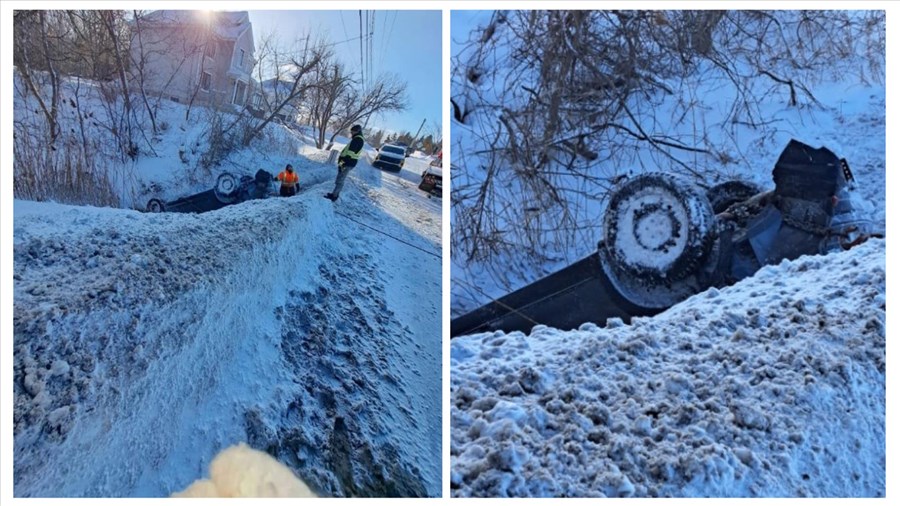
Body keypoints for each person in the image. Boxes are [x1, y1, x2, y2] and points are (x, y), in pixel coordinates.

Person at [325, 124, 365, 201]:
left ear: (357, 131)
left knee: (340, 179)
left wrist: (342, 164)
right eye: (351, 131)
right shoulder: (357, 138)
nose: (351, 133)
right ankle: (334, 194)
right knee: (339, 177)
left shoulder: (357, 139)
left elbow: (350, 154)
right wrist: (340, 164)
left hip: (347, 163)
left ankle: (334, 196)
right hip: (345, 162)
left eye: (353, 131)